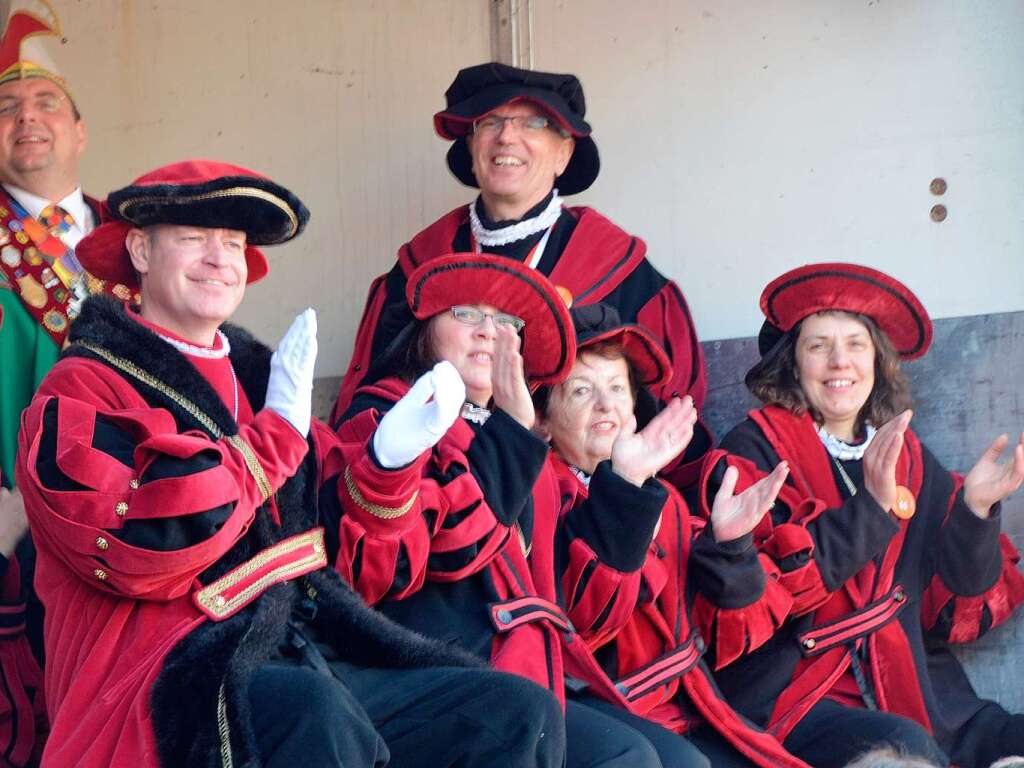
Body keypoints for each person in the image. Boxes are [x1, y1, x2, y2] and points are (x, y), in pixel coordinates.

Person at [16, 161, 565, 767]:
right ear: (141, 250)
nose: (219, 258)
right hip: (166, 676)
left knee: (514, 713)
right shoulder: (79, 389)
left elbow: (357, 563)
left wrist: (387, 462)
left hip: (301, 650)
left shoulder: (261, 378)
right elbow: (147, 540)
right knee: (313, 712)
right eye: (194, 238)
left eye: (232, 243)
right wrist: (272, 437)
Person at [330, 253, 673, 767]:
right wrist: (512, 434)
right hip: (428, 672)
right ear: (425, 331)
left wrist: (625, 486)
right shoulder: (384, 415)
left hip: (527, 673)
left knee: (658, 758)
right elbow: (429, 557)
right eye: (466, 314)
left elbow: (578, 613)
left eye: (507, 321)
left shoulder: (517, 435)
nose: (489, 332)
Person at [699, 262, 1024, 768]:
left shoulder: (907, 454)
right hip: (801, 687)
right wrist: (871, 509)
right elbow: (766, 600)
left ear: (878, 359)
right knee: (904, 748)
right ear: (792, 362)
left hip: (911, 674)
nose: (839, 362)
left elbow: (954, 615)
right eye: (818, 345)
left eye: (855, 344)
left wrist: (974, 512)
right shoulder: (754, 449)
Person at [332, 61, 711, 490]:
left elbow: (667, 427)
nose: (506, 136)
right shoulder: (419, 266)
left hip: (578, 517)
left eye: (532, 122)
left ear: (564, 153)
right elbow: (370, 405)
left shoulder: (624, 273)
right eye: (489, 121)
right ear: (472, 147)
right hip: (436, 500)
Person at [534, 303, 809, 768]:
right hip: (604, 714)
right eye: (581, 391)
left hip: (688, 708)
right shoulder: (540, 497)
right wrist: (622, 490)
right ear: (542, 422)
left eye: (617, 389)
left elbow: (724, 642)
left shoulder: (664, 499)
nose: (606, 405)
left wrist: (731, 548)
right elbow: (582, 626)